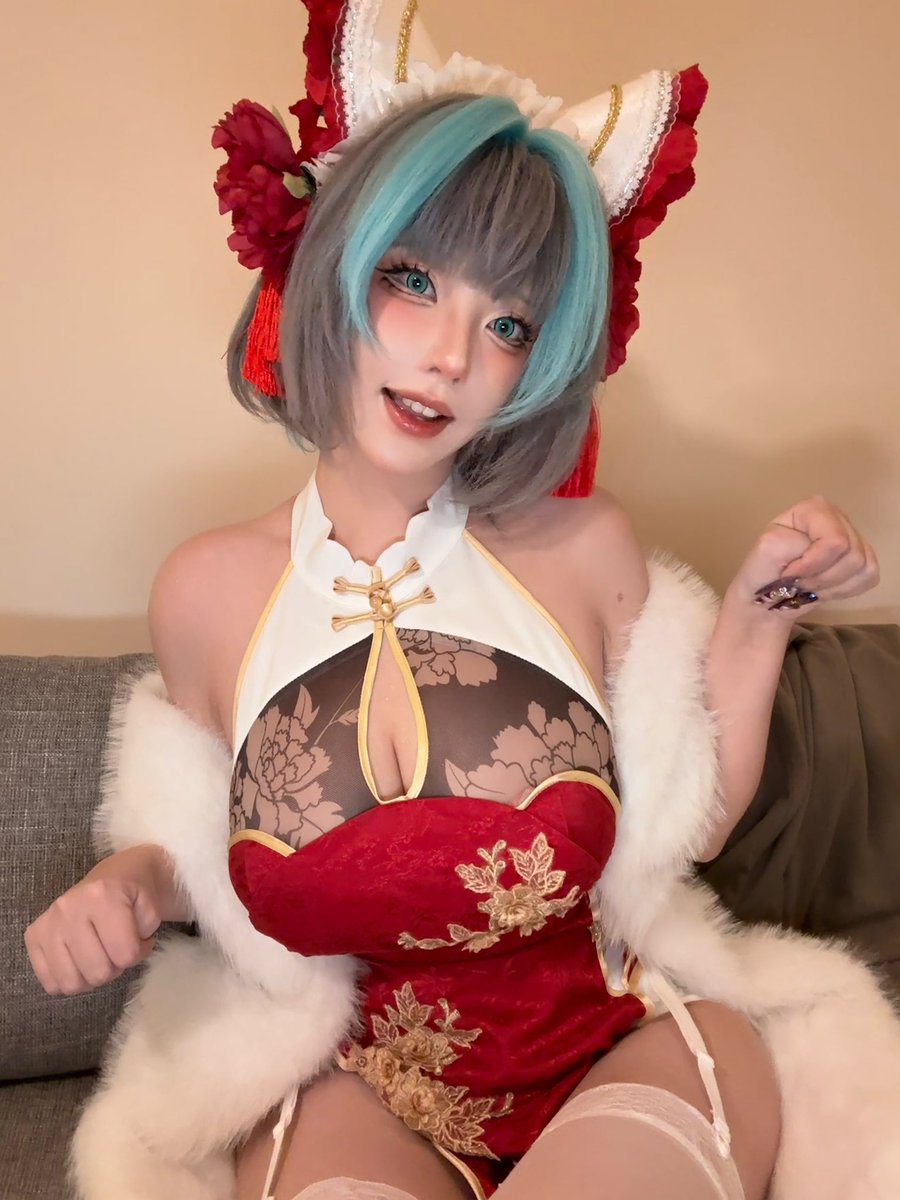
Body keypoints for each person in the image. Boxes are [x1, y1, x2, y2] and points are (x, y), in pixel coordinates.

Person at [23, 4, 897, 1200]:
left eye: (508, 324)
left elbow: (690, 821)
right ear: (332, 266)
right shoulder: (204, 590)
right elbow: (195, 853)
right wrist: (127, 882)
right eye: (413, 280)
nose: (449, 355)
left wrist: (762, 609)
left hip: (626, 1046)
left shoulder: (583, 545)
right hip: (356, 1087)